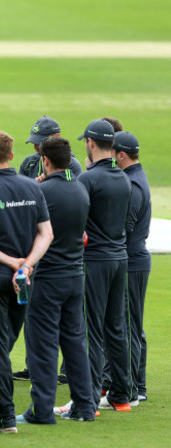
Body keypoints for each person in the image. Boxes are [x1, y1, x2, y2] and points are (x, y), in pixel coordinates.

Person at [0, 131, 53, 433]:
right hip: (25, 280)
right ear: (13, 156)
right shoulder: (32, 186)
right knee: (2, 346)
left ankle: (4, 415)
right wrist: (26, 265)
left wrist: (11, 262)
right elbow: (46, 234)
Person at [14, 137, 95, 424]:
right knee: (74, 342)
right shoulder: (81, 189)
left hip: (47, 279)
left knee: (43, 345)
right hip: (75, 276)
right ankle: (85, 407)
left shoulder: (41, 191)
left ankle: (41, 410)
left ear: (45, 161)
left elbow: (30, 233)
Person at [13, 115, 82, 383]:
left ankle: (64, 368)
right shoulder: (29, 163)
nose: (36, 150)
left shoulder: (71, 166)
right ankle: (33, 365)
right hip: (33, 245)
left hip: (56, 246)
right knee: (31, 310)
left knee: (62, 318)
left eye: (40, 145)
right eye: (34, 144)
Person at [75, 119, 132, 412]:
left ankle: (89, 396)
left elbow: (76, 221)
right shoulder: (123, 177)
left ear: (91, 143)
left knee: (91, 329)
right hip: (119, 259)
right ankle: (121, 397)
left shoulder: (87, 180)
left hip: (95, 260)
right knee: (116, 327)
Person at [113, 131, 151, 403]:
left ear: (121, 155)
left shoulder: (133, 184)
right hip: (133, 260)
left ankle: (134, 390)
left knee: (129, 326)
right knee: (130, 325)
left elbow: (125, 228)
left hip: (132, 261)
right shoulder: (135, 178)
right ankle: (137, 387)